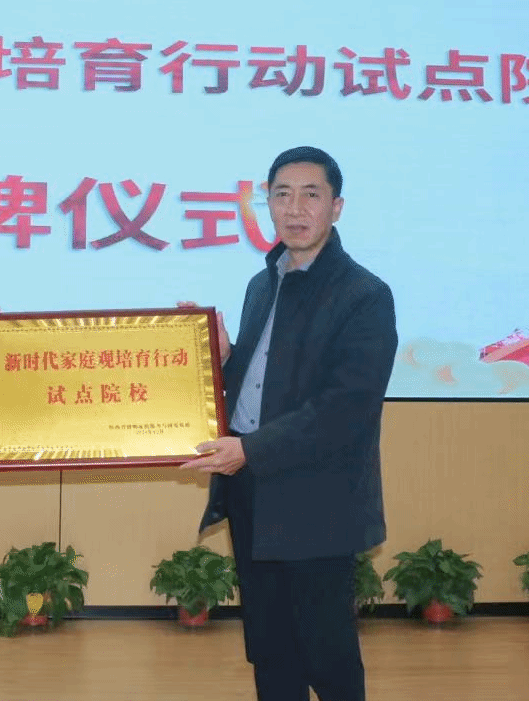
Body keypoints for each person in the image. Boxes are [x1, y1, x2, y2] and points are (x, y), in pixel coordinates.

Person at [180, 145, 397, 701]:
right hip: (253, 489)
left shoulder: (365, 295)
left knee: (327, 653)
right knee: (270, 646)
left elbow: (346, 408)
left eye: (311, 194)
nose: (295, 208)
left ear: (336, 207)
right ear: (268, 204)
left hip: (317, 498)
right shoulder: (263, 284)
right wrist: (225, 359)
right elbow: (264, 385)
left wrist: (250, 450)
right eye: (282, 194)